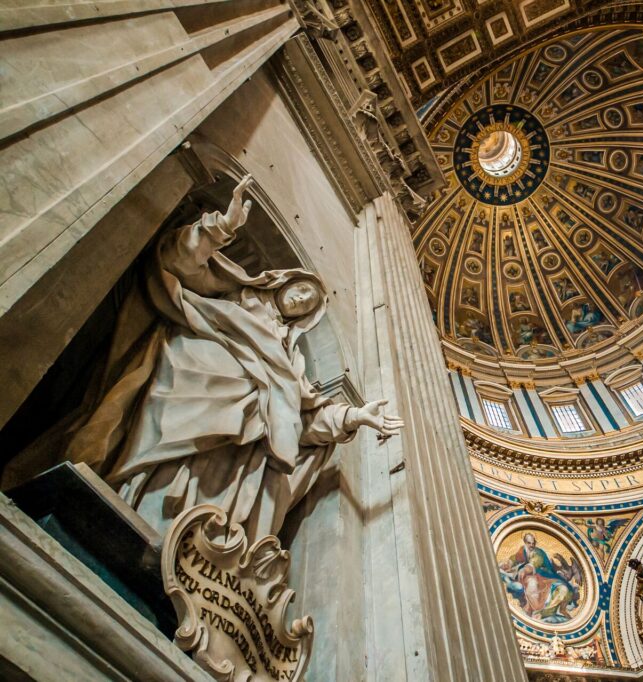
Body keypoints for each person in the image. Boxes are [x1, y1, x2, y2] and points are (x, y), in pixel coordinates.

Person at [65, 175, 403, 542]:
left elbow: (304, 418)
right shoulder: (235, 297)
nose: (302, 299)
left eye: (308, 303)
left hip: (241, 436)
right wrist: (219, 229)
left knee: (205, 485)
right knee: (160, 462)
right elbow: (178, 264)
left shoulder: (291, 360)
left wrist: (354, 415)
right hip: (190, 386)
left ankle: (183, 547)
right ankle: (126, 511)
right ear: (282, 282)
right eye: (301, 290)